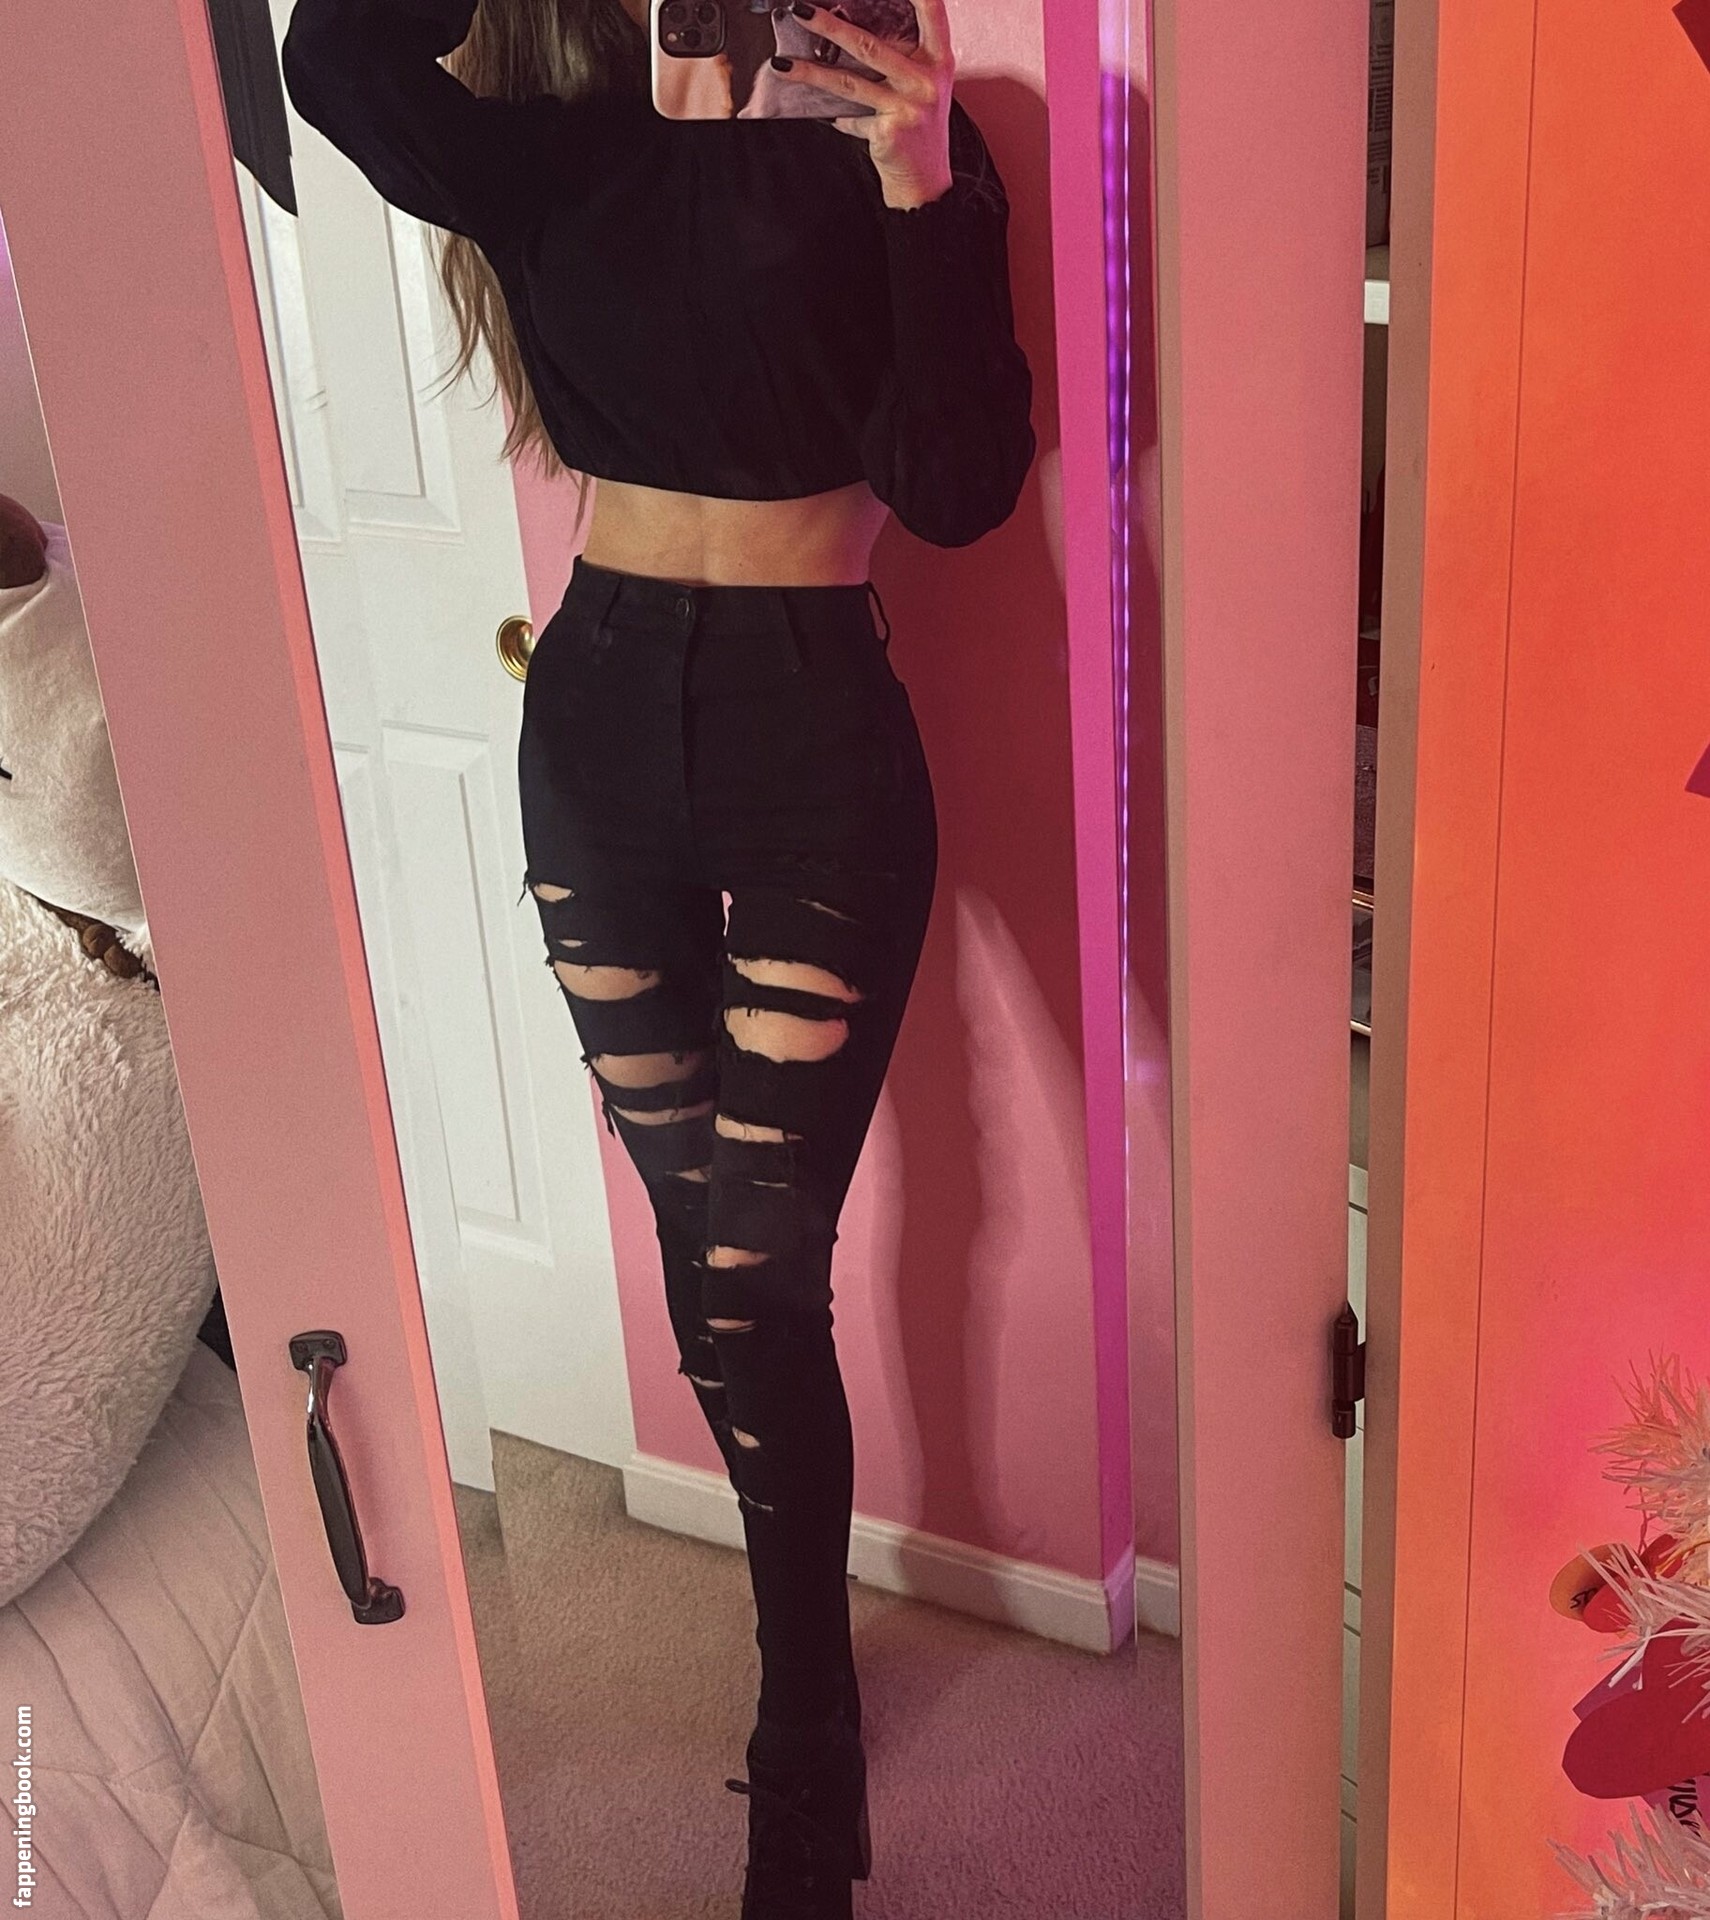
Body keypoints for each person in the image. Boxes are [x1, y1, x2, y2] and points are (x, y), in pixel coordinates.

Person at [279, 1, 1033, 1912]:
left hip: (813, 742)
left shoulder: (906, 150)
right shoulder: (556, 150)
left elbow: (958, 492)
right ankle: (804, 1687)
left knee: (751, 1267)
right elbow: (335, 63)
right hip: (600, 725)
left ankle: (803, 1734)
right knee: (722, 1270)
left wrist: (917, 173)